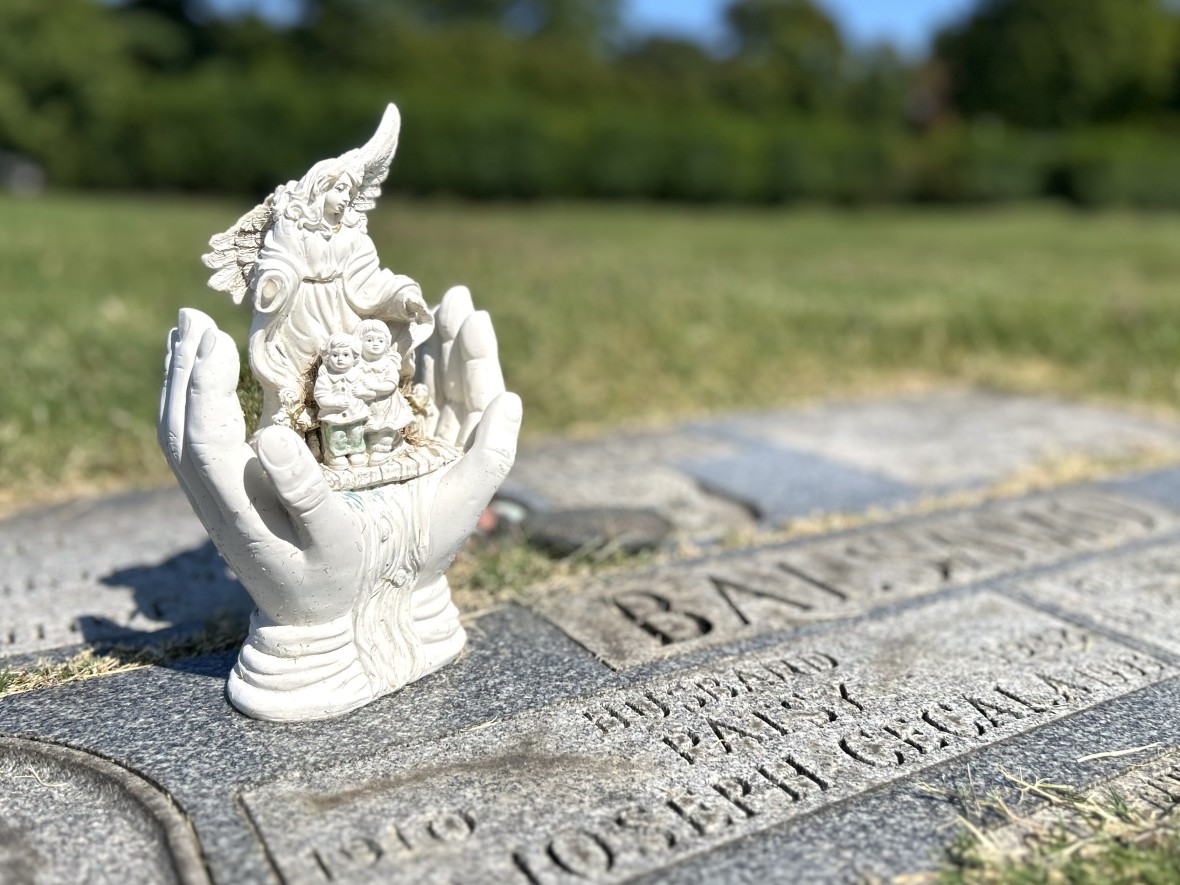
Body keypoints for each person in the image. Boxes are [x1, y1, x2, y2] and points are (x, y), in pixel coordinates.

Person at [247, 159, 432, 433]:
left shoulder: (352, 234)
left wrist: (403, 297)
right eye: (341, 189)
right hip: (302, 309)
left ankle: (357, 430)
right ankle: (303, 430)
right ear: (320, 189)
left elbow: (371, 279)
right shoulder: (293, 226)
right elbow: (277, 260)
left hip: (343, 307)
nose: (347, 198)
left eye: (350, 192)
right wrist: (274, 283)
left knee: (348, 367)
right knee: (305, 374)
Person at [354, 319, 414, 463]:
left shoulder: (388, 363)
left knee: (384, 430)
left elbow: (391, 384)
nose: (375, 343)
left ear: (387, 343)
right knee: (368, 430)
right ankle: (375, 446)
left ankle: (384, 449)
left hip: (386, 405)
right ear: (358, 342)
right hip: (366, 406)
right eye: (369, 339)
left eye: (380, 340)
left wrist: (374, 388)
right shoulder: (357, 364)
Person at [313, 334, 370, 468]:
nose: (340, 359)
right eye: (335, 355)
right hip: (334, 417)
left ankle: (356, 452)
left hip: (356, 414)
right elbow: (321, 398)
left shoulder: (358, 376)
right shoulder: (325, 379)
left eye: (346, 355)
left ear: (354, 358)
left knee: (356, 433)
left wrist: (364, 393)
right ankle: (335, 455)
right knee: (336, 436)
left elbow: (370, 392)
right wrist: (335, 403)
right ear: (327, 357)